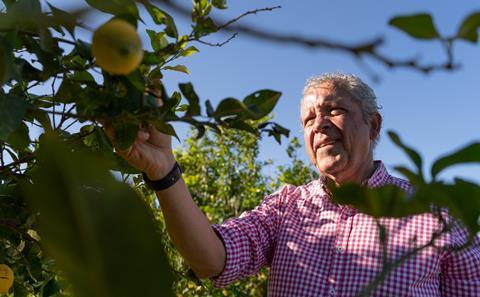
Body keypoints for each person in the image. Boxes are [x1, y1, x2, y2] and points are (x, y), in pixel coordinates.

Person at [107, 73, 480, 296]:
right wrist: (164, 171)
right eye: (308, 120)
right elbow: (211, 260)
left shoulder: (440, 214)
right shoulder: (287, 207)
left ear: (374, 126)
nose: (318, 125)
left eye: (334, 110)